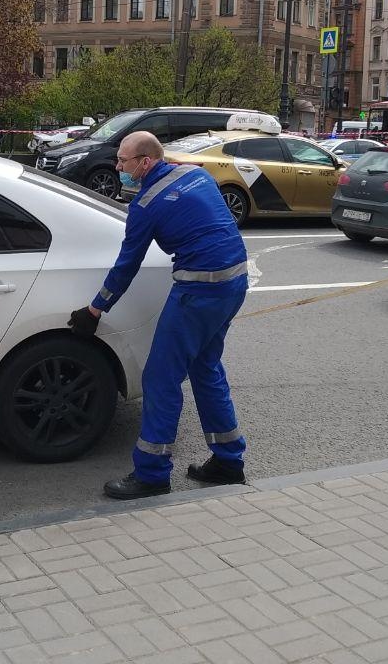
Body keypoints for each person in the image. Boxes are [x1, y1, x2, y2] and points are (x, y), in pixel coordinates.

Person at [68, 131, 249, 500]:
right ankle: (229, 460)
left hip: (199, 292)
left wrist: (95, 309)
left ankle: (152, 473)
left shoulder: (147, 204)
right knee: (206, 369)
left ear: (146, 162)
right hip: (234, 282)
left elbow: (126, 266)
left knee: (160, 378)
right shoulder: (195, 173)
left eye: (123, 161)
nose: (118, 167)